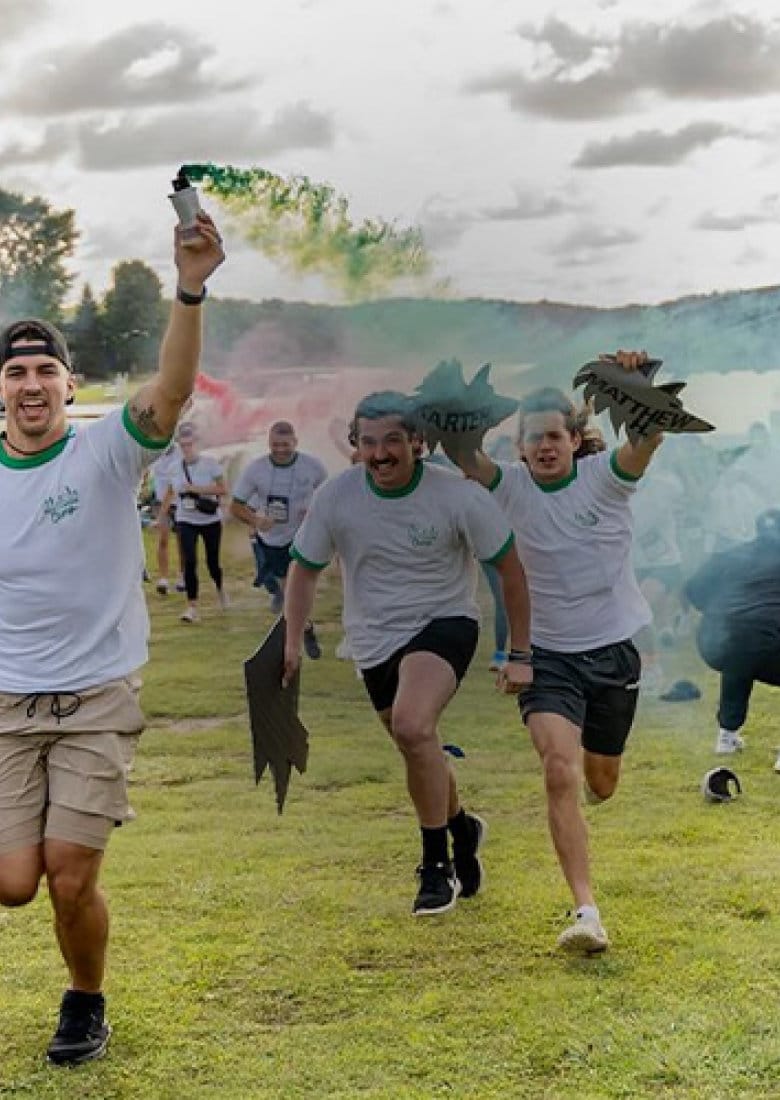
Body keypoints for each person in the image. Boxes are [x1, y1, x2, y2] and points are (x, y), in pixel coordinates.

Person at [0, 210, 224, 1064]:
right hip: (7, 700)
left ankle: (84, 1001)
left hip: (97, 696)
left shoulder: (103, 454)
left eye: (44, 371)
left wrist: (190, 288)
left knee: (68, 873)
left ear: (69, 382)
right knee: (14, 883)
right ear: (0, 387)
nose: (29, 384)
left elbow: (170, 389)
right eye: (15, 371)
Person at [283, 392, 533, 916]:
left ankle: (435, 866)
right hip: (372, 638)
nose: (379, 454)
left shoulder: (457, 495)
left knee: (413, 726)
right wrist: (292, 640)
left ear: (418, 442)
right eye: (368, 442)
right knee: (417, 745)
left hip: (444, 622)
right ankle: (463, 828)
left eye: (392, 440)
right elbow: (304, 568)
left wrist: (519, 650)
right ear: (355, 444)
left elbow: (509, 566)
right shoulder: (337, 496)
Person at [445, 354, 659, 954]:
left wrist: (639, 387)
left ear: (574, 439)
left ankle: (597, 772)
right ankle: (587, 912)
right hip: (549, 659)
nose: (544, 447)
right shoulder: (509, 487)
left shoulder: (606, 477)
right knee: (557, 772)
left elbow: (648, 437)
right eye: (532, 438)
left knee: (601, 782)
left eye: (553, 436)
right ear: (518, 446)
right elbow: (464, 455)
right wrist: (452, 407)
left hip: (614, 651)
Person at [684, 508, 780, 765]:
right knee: (751, 644)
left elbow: (693, 589)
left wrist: (719, 612)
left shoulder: (732, 554)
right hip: (767, 643)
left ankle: (726, 736)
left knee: (739, 656)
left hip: (715, 642)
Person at [230, 420, 327, 657]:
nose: (280, 450)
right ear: (269, 443)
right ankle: (305, 627)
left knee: (295, 587)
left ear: (295, 442)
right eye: (275, 445)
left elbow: (329, 495)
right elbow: (235, 506)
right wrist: (256, 521)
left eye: (285, 445)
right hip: (272, 539)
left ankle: (295, 637)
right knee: (287, 589)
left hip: (302, 536)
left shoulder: (312, 466)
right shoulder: (256, 469)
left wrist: (313, 511)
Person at [165, 422, 228, 623]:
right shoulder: (174, 467)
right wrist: (162, 515)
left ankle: (220, 589)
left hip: (209, 519)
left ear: (197, 443)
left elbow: (223, 489)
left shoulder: (210, 463)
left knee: (212, 562)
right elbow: (170, 492)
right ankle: (192, 606)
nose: (186, 449)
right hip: (186, 519)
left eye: (189, 444)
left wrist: (196, 489)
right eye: (182, 445)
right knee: (190, 561)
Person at [149, 439, 185, 594]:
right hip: (159, 500)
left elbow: (173, 487)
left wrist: (163, 510)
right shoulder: (154, 452)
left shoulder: (179, 454)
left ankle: (182, 576)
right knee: (163, 539)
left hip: (177, 502)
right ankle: (163, 578)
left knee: (181, 542)